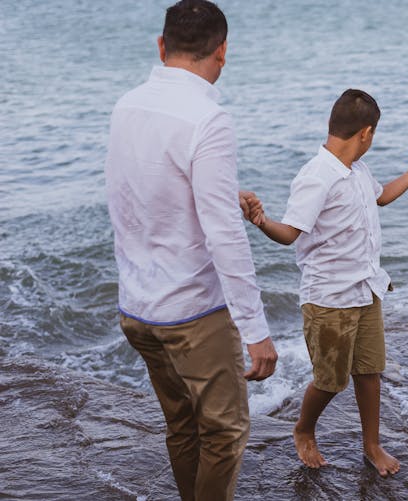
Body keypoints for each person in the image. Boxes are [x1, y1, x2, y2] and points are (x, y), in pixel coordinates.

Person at [104, 1, 277, 499]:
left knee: (183, 427)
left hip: (137, 308)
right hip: (191, 313)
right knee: (224, 432)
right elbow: (224, 233)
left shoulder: (127, 104)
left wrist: (224, 192)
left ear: (161, 46)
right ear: (222, 53)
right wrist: (255, 328)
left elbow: (136, 191)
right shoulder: (209, 118)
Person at [244, 89, 408, 476]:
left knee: (369, 371)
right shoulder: (317, 176)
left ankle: (372, 445)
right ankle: (303, 430)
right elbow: (291, 233)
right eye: (374, 134)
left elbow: (380, 199)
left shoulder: (358, 171)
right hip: (329, 298)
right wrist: (262, 221)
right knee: (331, 381)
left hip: (366, 290)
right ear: (366, 133)